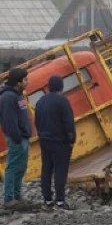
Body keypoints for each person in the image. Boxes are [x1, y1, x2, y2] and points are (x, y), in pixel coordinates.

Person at [34, 75, 76, 210]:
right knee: (60, 170)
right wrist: (71, 139)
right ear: (61, 87)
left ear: (49, 87)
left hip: (45, 140)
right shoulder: (63, 101)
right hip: (60, 142)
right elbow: (68, 122)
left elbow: (37, 121)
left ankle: (47, 200)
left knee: (46, 169)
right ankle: (60, 200)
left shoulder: (40, 101)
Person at [0, 68, 31, 209]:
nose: (27, 82)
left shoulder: (17, 95)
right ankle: (9, 198)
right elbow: (9, 121)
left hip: (23, 137)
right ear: (18, 82)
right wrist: (17, 138)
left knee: (21, 167)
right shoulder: (8, 97)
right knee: (12, 167)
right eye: (25, 80)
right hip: (16, 139)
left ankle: (17, 196)